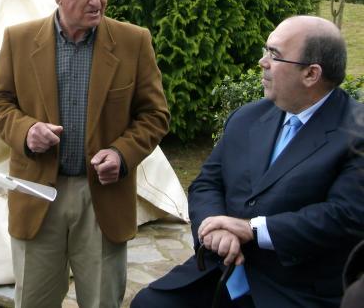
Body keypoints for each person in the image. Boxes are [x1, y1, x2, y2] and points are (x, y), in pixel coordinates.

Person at [0, 0, 170, 308]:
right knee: (34, 302)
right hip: (38, 194)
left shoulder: (133, 42)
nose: (97, 0)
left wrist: (121, 153)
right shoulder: (19, 40)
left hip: (102, 197)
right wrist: (25, 131)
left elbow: (154, 115)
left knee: (102, 301)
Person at [131, 15, 364, 308]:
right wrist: (214, 230)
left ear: (311, 74)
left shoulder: (356, 132)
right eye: (266, 51)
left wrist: (252, 229)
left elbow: (345, 217)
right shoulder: (247, 117)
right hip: (223, 267)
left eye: (274, 55)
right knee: (149, 303)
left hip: (295, 286)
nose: (262, 62)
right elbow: (207, 183)